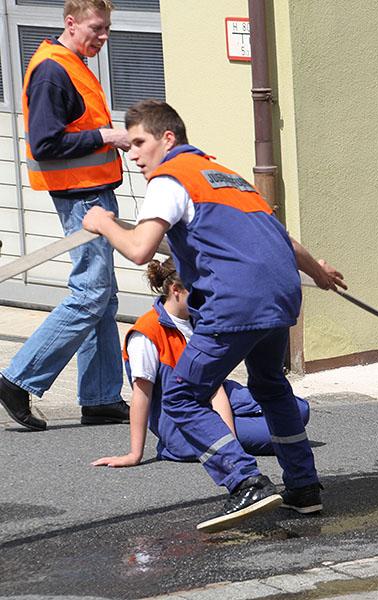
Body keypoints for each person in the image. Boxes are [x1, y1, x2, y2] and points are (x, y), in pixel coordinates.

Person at [82, 99, 345, 533]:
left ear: (168, 139)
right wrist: (319, 272)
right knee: (271, 387)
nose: (132, 155)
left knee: (182, 395)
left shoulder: (169, 178)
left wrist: (102, 223)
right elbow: (282, 239)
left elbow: (139, 249)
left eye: (138, 143)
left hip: (235, 300)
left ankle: (245, 481)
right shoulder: (228, 177)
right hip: (279, 297)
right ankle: (304, 488)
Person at [0, 0, 132, 431]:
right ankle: (17, 379)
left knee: (103, 296)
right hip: (82, 197)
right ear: (71, 23)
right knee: (91, 294)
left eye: (108, 28)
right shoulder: (53, 70)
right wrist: (106, 136)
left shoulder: (71, 62)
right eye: (98, 28)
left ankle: (100, 398)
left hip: (90, 192)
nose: (104, 36)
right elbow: (45, 144)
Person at [91, 258, 312, 468]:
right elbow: (142, 395)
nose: (206, 297)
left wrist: (227, 432)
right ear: (176, 290)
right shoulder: (146, 333)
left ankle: (227, 428)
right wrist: (134, 454)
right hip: (184, 421)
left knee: (300, 410)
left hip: (215, 397)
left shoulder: (198, 319)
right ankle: (180, 445)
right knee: (285, 427)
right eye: (198, 291)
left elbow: (215, 387)